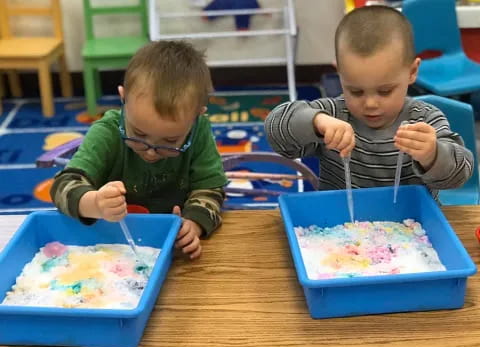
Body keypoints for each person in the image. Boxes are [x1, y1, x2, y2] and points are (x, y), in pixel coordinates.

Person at [264, 5, 473, 200]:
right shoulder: (332, 115)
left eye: (385, 91)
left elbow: (459, 176)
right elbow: (276, 131)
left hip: (412, 227)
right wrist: (316, 123)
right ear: (340, 73)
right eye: (356, 91)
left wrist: (432, 154)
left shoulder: (425, 119)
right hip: (340, 225)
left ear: (412, 72)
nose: (371, 103)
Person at [50, 40, 228, 260]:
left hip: (170, 248)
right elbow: (62, 186)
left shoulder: (199, 131)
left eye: (170, 140)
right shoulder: (107, 132)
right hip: (111, 245)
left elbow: (211, 188)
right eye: (139, 135)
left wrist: (194, 224)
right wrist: (94, 203)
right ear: (123, 97)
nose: (151, 151)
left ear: (197, 116)